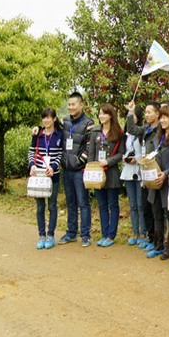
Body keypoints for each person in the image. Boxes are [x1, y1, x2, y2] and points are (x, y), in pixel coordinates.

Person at [58, 92, 95, 247]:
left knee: (83, 203)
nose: (71, 107)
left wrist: (80, 161)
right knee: (70, 202)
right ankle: (71, 233)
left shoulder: (89, 123)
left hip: (80, 171)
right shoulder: (65, 121)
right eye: (69, 104)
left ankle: (85, 235)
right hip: (66, 169)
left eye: (73, 104)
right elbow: (50, 127)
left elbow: (90, 147)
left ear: (81, 105)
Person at [86, 104, 125, 247]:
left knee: (113, 204)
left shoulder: (118, 133)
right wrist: (90, 169)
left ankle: (111, 235)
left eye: (104, 113)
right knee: (102, 205)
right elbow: (91, 153)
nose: (101, 116)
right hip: (97, 173)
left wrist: (108, 161)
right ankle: (104, 233)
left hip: (111, 173)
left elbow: (121, 154)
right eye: (100, 113)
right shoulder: (95, 132)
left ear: (110, 115)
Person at [125, 100, 162, 251]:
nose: (147, 115)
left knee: (156, 210)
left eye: (149, 112)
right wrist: (131, 112)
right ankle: (150, 237)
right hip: (145, 172)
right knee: (146, 207)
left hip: (157, 171)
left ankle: (158, 241)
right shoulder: (146, 128)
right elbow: (131, 129)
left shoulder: (161, 130)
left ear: (158, 114)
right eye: (145, 112)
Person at [147, 106, 169, 259]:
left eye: (165, 117)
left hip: (168, 182)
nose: (162, 120)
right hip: (155, 181)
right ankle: (158, 245)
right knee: (157, 214)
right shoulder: (158, 137)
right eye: (161, 117)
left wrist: (165, 174)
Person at [29, 108, 64, 249]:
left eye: (49, 117)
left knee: (52, 206)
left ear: (54, 119)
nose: (46, 120)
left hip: (52, 176)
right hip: (38, 175)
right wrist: (32, 165)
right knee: (40, 207)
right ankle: (41, 235)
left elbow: (60, 154)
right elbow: (31, 152)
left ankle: (50, 235)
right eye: (44, 118)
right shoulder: (37, 134)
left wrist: (54, 167)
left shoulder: (59, 135)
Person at [121, 107, 147, 247]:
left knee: (140, 204)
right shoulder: (126, 134)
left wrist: (136, 158)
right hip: (128, 171)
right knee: (132, 205)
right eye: (129, 115)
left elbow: (144, 151)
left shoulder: (142, 132)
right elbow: (123, 150)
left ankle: (143, 233)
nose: (131, 118)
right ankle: (135, 232)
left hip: (139, 170)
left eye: (133, 115)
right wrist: (125, 157)